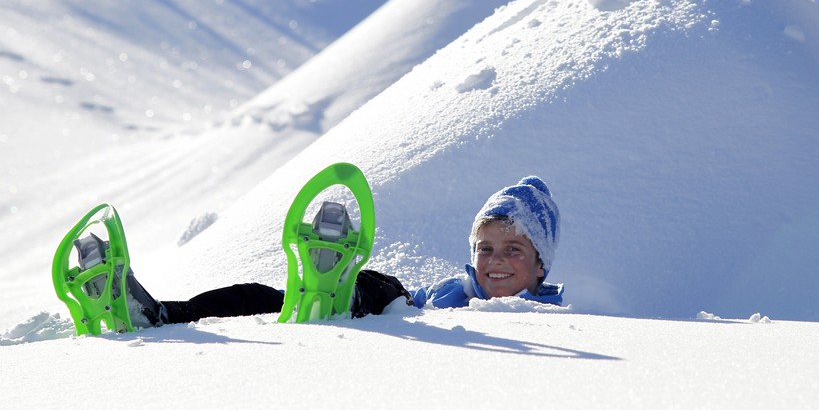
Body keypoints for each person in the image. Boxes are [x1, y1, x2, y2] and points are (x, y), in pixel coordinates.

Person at [75, 176, 563, 328]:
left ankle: (338, 291)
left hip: (392, 323)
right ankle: (153, 314)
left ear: (541, 263)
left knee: (379, 286)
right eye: (486, 248)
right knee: (255, 295)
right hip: (391, 311)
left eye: (514, 249)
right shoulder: (456, 289)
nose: (495, 260)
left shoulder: (549, 316)